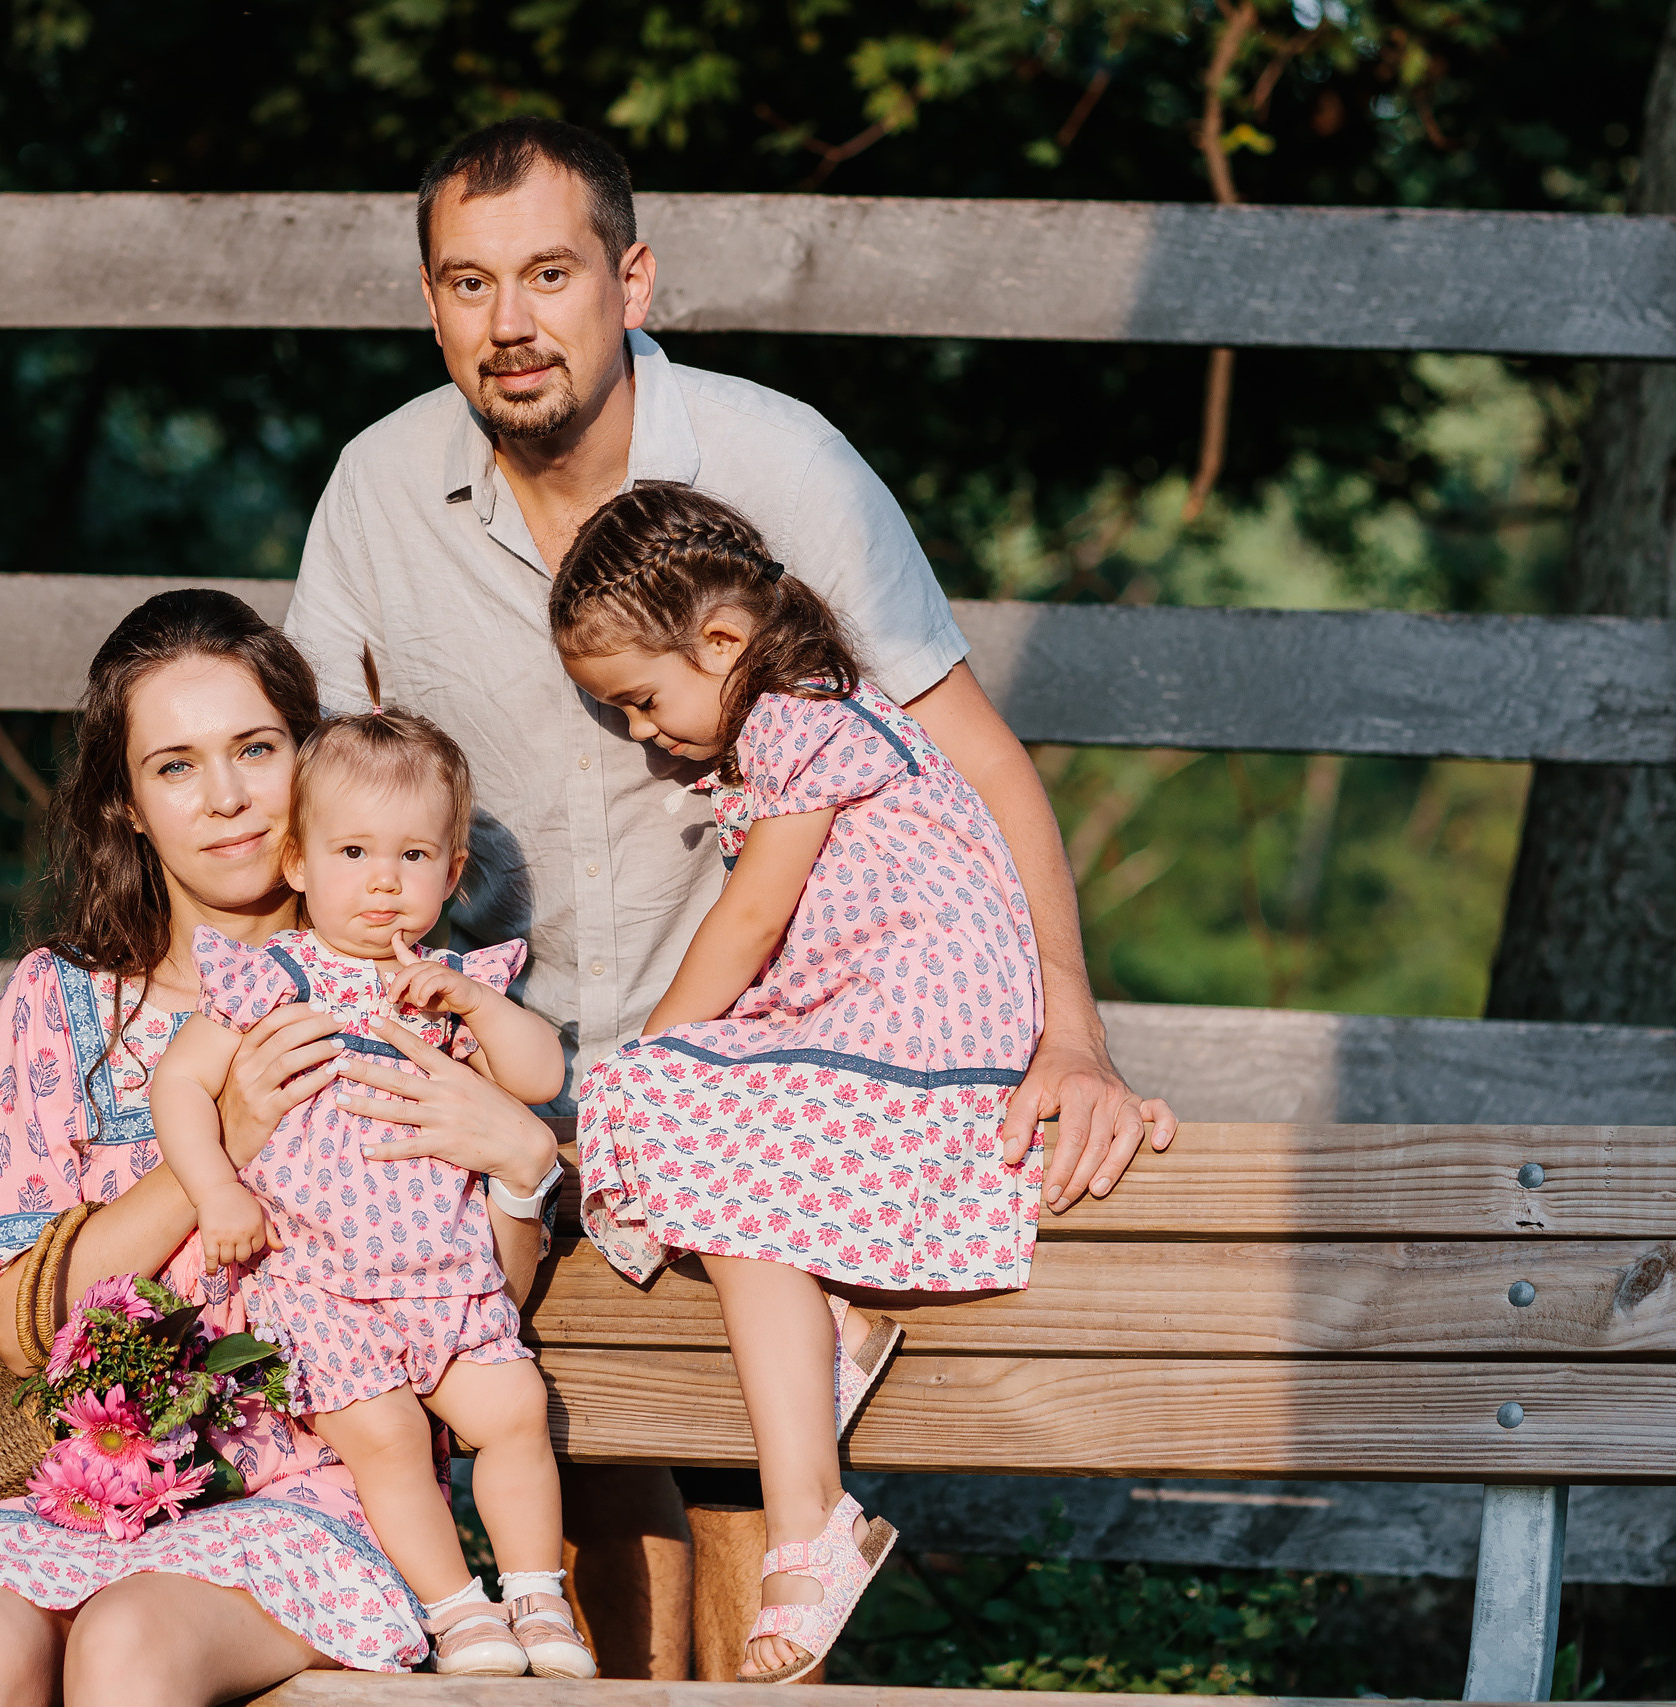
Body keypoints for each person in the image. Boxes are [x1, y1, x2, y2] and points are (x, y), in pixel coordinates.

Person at [282, 116, 1178, 1669]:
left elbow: (978, 760)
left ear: (630, 279)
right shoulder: (376, 489)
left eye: (550, 273)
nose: (511, 323)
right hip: (505, 1086)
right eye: (469, 283)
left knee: (748, 1555)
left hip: (736, 1074)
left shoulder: (779, 465)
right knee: (567, 1526)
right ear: (430, 304)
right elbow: (314, 795)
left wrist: (1074, 1031)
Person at [0, 590, 563, 1707]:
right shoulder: (68, 1006)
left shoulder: (404, 999)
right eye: (175, 766)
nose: (228, 797)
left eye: (255, 748)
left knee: (129, 1650)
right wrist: (222, 1138)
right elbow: (21, 1322)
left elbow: (486, 1306)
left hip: (312, 1485)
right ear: (128, 807)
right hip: (79, 1482)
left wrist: (521, 1165)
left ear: (308, 759)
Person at [555, 484, 1043, 1680]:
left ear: (719, 644)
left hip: (918, 1027)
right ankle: (825, 1350)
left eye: (642, 698)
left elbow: (751, 917)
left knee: (678, 1106)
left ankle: (807, 1524)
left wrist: (652, 1054)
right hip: (902, 1022)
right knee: (721, 1151)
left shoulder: (794, 720)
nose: (640, 732)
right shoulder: (809, 711)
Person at [149, 668, 592, 1678]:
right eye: (353, 853)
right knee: (387, 1433)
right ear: (298, 862)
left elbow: (540, 1074)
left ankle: (536, 1602)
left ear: (451, 871)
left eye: (411, 856)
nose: (382, 881)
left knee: (514, 1413)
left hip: (445, 1276)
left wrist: (476, 1010)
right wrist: (218, 1189)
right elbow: (181, 1088)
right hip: (319, 1283)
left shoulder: (452, 985)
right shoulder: (273, 977)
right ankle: (456, 1612)